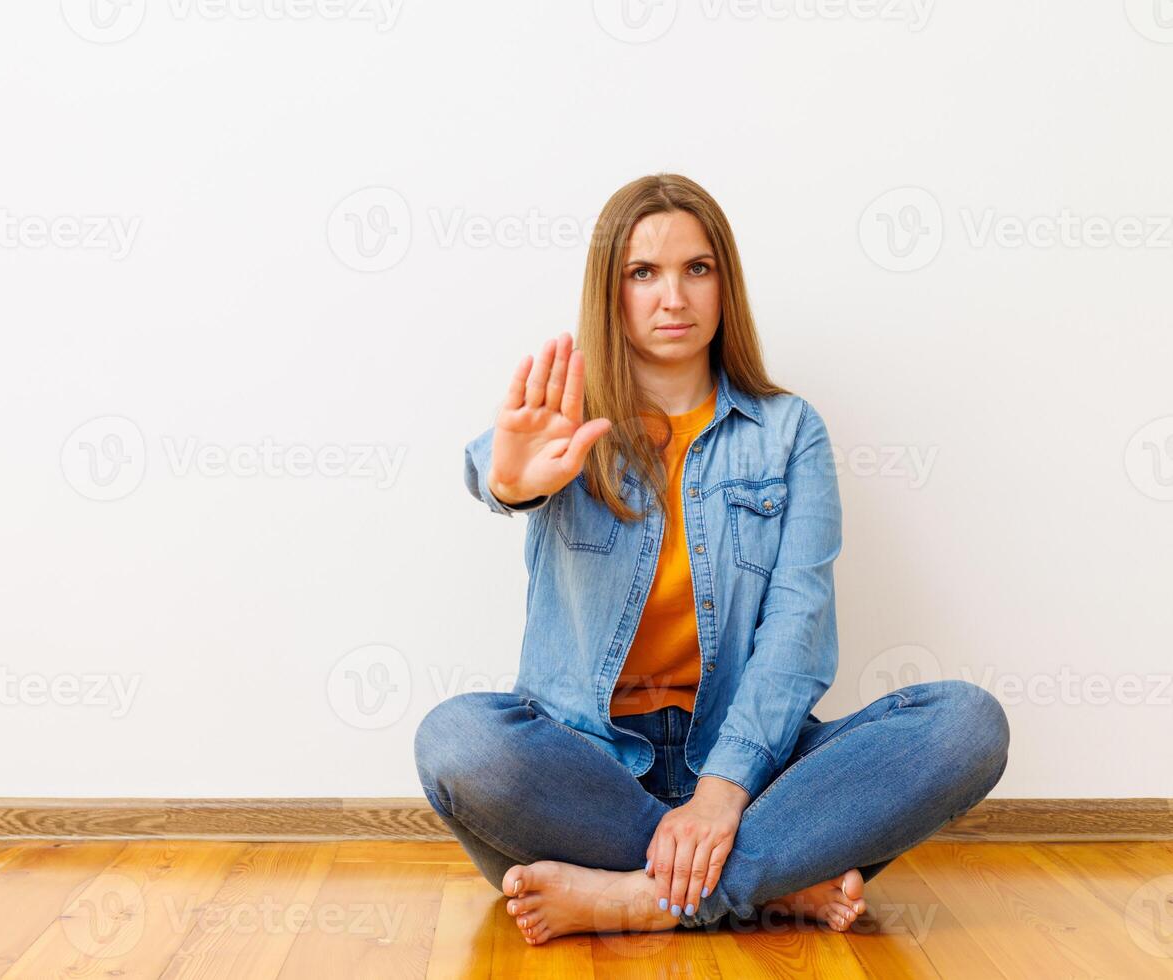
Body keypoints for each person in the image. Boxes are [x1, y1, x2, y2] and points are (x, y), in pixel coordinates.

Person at [413, 173, 1010, 945]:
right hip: (588, 768)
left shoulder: (789, 430)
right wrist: (508, 481)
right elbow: (496, 471)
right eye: (643, 273)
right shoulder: (567, 421)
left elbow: (797, 630)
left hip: (749, 763)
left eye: (697, 269)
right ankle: (773, 877)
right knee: (457, 742)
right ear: (610, 291)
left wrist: (724, 792)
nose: (673, 297)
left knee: (966, 725)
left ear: (725, 284)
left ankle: (637, 898)